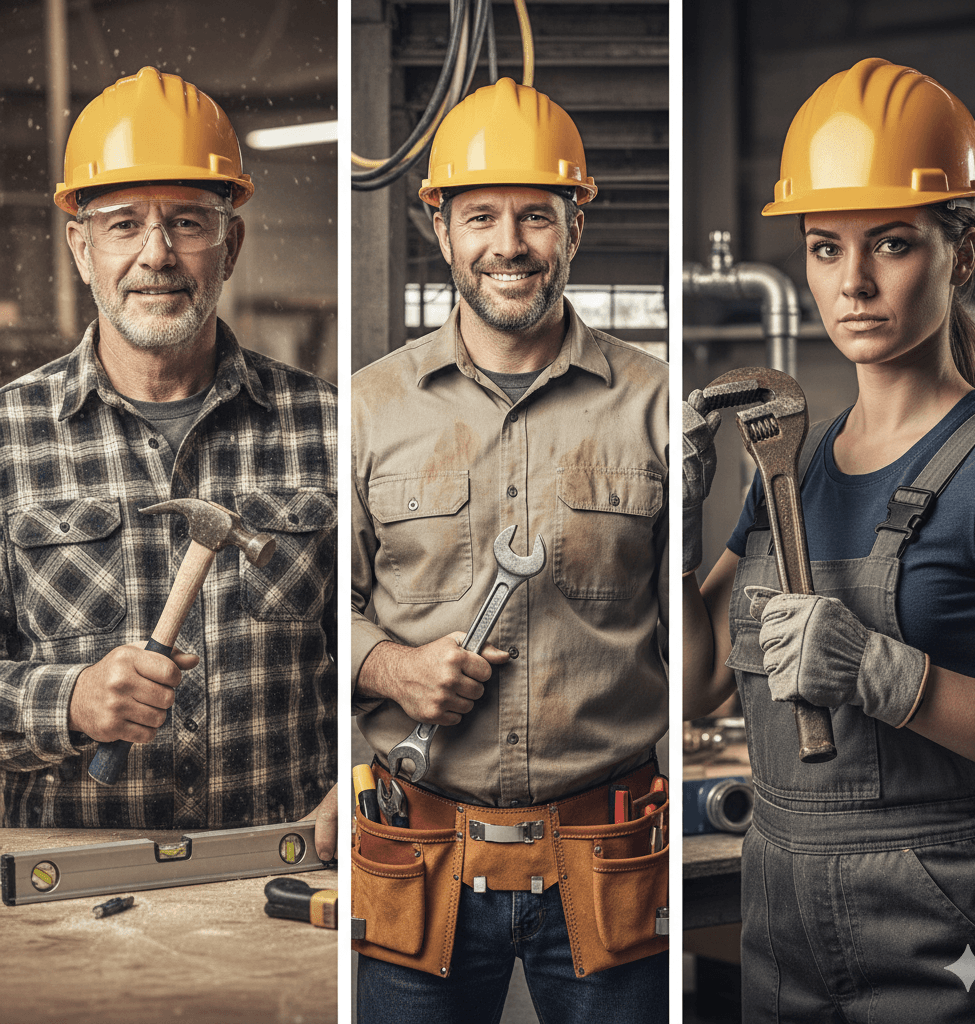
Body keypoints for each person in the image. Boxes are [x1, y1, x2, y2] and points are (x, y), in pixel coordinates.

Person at [684, 58, 975, 1022]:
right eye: (826, 248)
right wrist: (672, 530)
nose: (855, 281)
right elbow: (695, 682)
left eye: (891, 243)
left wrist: (886, 674)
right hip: (777, 896)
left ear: (958, 255)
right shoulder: (795, 460)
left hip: (943, 910)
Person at [351, 78, 669, 1022]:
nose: (510, 244)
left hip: (609, 853)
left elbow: (686, 622)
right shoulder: (371, 408)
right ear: (439, 228)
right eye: (481, 215)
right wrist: (392, 665)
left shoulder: (653, 403)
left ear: (576, 227)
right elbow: (318, 611)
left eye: (538, 214)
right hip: (418, 854)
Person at [0, 67, 339, 861]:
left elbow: (379, 646)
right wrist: (69, 699)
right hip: (68, 892)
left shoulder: (331, 426)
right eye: (123, 225)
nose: (157, 255)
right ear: (81, 248)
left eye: (187, 221)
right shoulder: (8, 438)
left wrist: (364, 771)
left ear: (230, 244)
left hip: (282, 877)